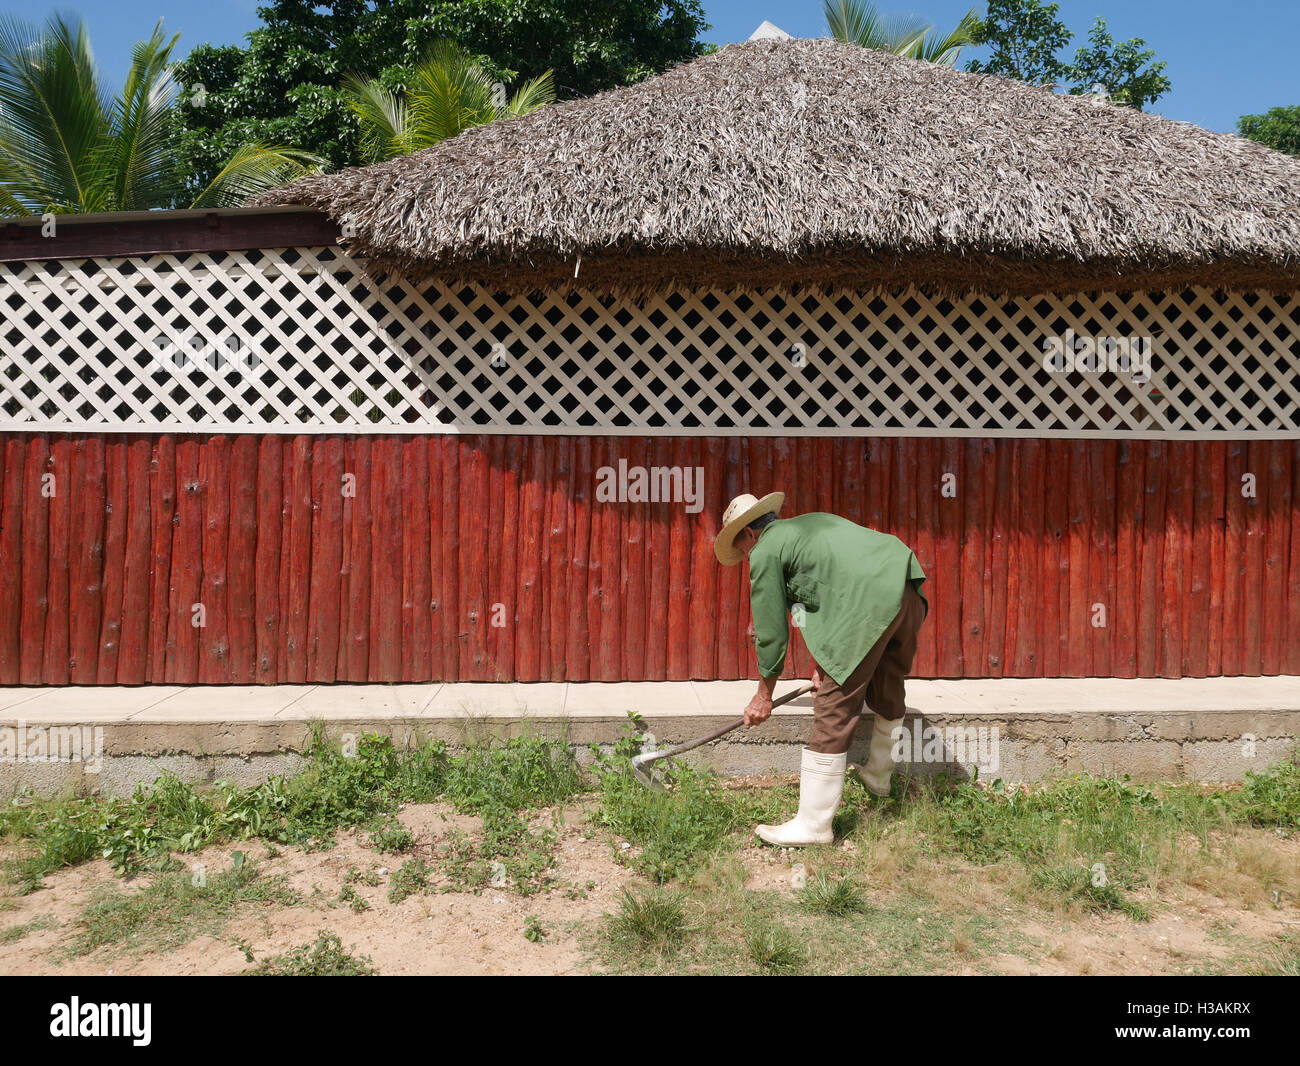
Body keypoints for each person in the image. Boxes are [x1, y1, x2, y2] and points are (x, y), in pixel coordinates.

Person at [714, 492, 928, 846]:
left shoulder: (766, 550)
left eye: (741, 547)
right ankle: (878, 776)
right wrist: (821, 662)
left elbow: (770, 629)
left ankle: (813, 826)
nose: (744, 556)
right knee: (887, 679)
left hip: (867, 600)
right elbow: (813, 606)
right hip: (905, 581)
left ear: (750, 534)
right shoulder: (807, 526)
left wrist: (763, 695)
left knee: (834, 704)